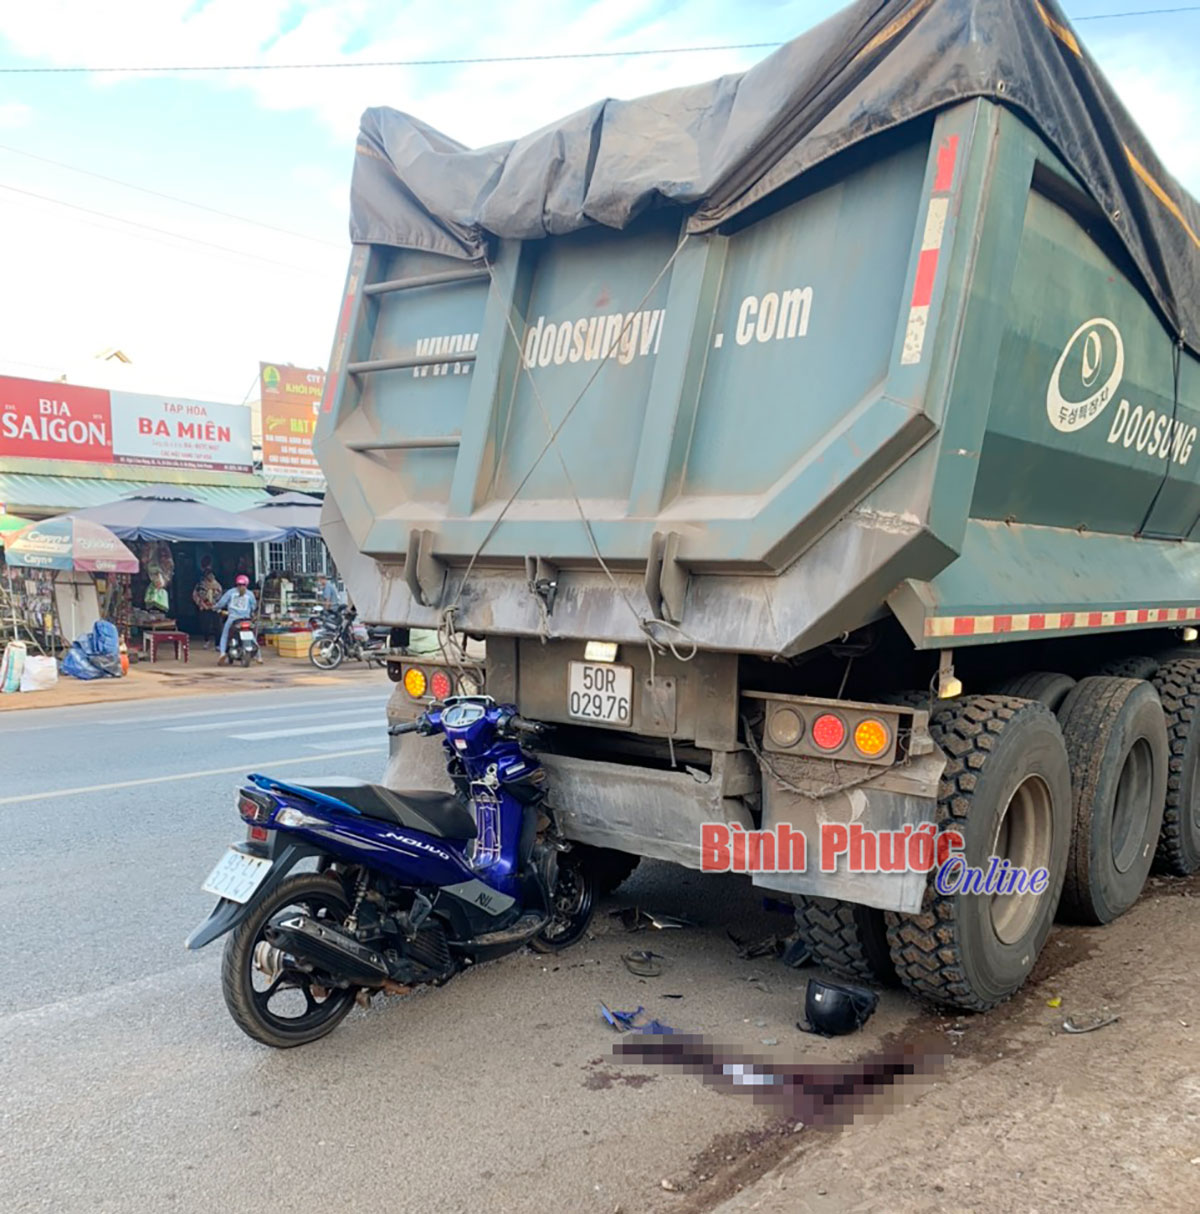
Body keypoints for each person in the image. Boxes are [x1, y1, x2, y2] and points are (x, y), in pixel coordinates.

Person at [215, 575, 259, 664]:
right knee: (252, 636)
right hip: (246, 619)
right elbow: (254, 607)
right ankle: (259, 656)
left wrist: (215, 607)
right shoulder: (250, 594)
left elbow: (221, 603)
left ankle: (222, 653)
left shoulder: (231, 592)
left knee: (225, 635)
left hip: (233, 619)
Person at [191, 568, 223, 649]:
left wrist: (216, 605)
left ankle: (217, 644)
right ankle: (207, 641)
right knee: (205, 626)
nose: (211, 576)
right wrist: (201, 604)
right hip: (204, 607)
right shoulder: (200, 585)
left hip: (215, 608)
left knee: (218, 626)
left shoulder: (217, 585)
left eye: (212, 575)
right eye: (209, 575)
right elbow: (195, 595)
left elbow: (220, 597)